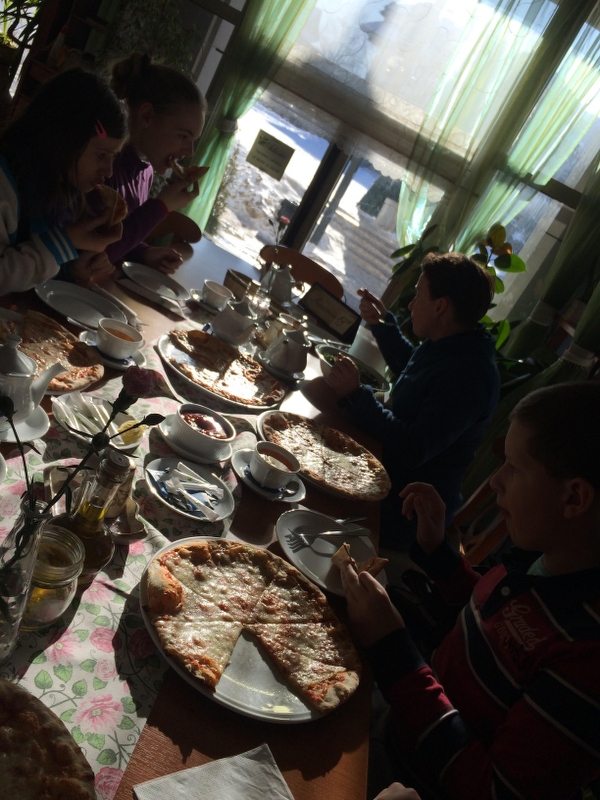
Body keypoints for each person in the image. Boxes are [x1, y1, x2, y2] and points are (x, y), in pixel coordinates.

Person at [341, 382, 600, 800]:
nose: (495, 480)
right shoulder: (539, 556)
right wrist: (439, 555)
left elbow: (490, 790)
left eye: (513, 468)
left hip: (407, 774)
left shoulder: (587, 661)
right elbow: (495, 620)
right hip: (399, 708)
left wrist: (392, 650)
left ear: (574, 497)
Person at [329, 252, 500, 550]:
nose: (411, 305)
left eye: (418, 295)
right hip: (384, 468)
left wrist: (357, 396)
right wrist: (382, 325)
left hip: (403, 511)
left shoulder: (471, 376)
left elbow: (413, 448)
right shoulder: (453, 342)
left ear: (440, 306)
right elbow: (414, 371)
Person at [0, 68, 127, 294]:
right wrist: (63, 243)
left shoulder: (60, 192)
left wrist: (71, 270)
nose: (109, 171)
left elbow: (29, 270)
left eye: (114, 158)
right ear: (62, 139)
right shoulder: (5, 187)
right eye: (101, 155)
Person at [99, 53, 207, 273]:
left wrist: (144, 252)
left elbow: (124, 235)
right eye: (183, 136)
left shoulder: (145, 173)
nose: (189, 151)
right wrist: (161, 206)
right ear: (147, 115)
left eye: (193, 140)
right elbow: (98, 253)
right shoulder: (104, 165)